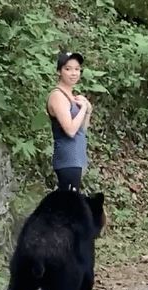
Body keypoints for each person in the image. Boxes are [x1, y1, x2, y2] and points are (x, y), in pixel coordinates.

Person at [47, 51, 93, 192]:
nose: (73, 73)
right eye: (68, 69)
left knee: (70, 207)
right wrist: (83, 108)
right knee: (69, 208)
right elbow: (70, 130)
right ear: (59, 71)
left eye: (77, 69)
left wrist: (88, 111)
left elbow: (82, 129)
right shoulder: (57, 96)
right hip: (67, 160)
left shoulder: (72, 97)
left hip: (77, 159)